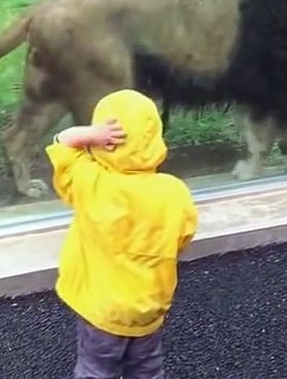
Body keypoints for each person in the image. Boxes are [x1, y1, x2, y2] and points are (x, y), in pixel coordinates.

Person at [46, 89, 200, 379]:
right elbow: (183, 236)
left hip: (101, 311)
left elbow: (62, 143)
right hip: (148, 310)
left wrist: (92, 134)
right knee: (147, 369)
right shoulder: (174, 192)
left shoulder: (90, 182)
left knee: (96, 369)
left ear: (105, 143)